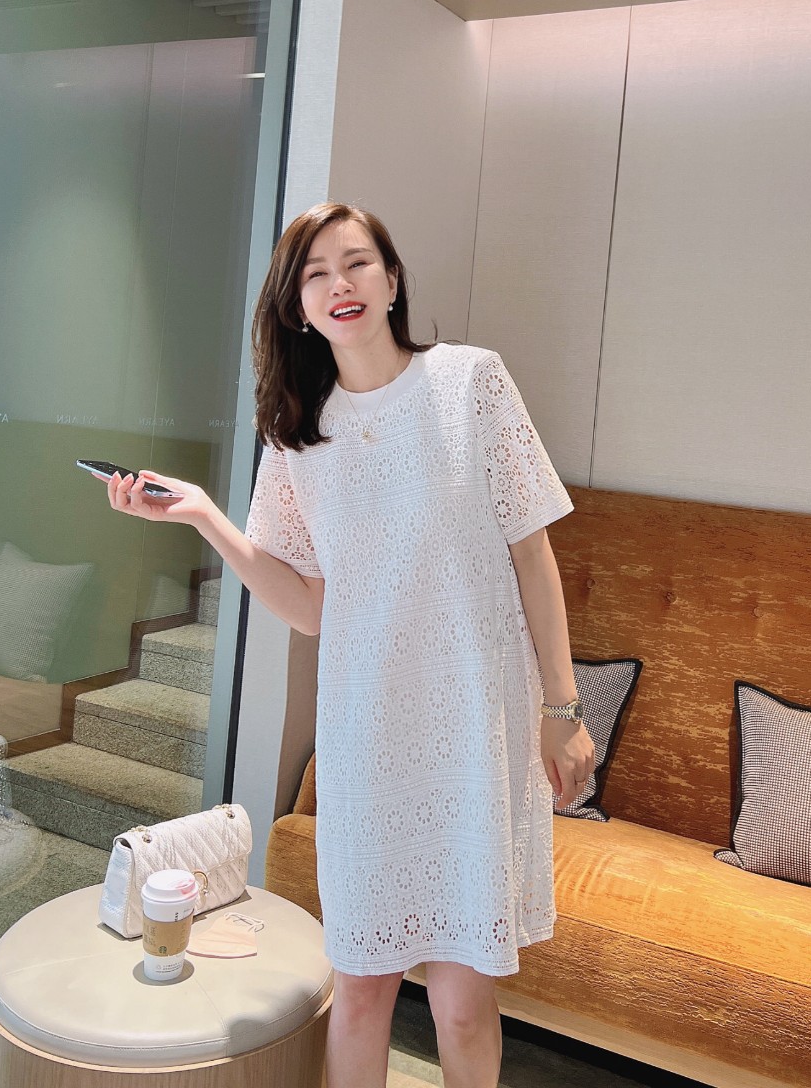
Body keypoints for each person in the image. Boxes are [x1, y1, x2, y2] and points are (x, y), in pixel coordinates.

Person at [105, 200, 595, 1088]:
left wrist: (562, 709)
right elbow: (306, 607)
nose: (341, 284)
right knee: (362, 987)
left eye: (358, 262)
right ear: (297, 306)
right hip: (367, 736)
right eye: (317, 273)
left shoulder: (471, 383)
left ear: (393, 280)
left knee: (461, 1000)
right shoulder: (298, 435)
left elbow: (533, 552)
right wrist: (206, 516)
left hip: (472, 729)